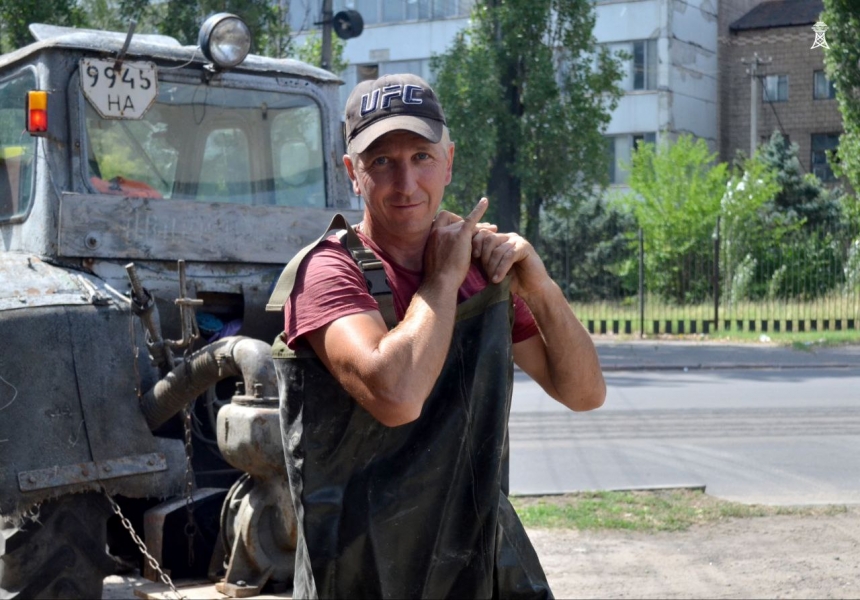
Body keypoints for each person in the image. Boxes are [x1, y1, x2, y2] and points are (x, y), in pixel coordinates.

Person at [268, 73, 605, 599]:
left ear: (448, 161)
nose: (406, 183)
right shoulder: (328, 272)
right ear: (352, 174)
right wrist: (443, 277)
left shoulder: (483, 271)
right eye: (382, 162)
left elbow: (585, 393)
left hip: (474, 567)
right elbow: (397, 396)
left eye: (422, 157)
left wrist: (540, 288)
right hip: (362, 575)